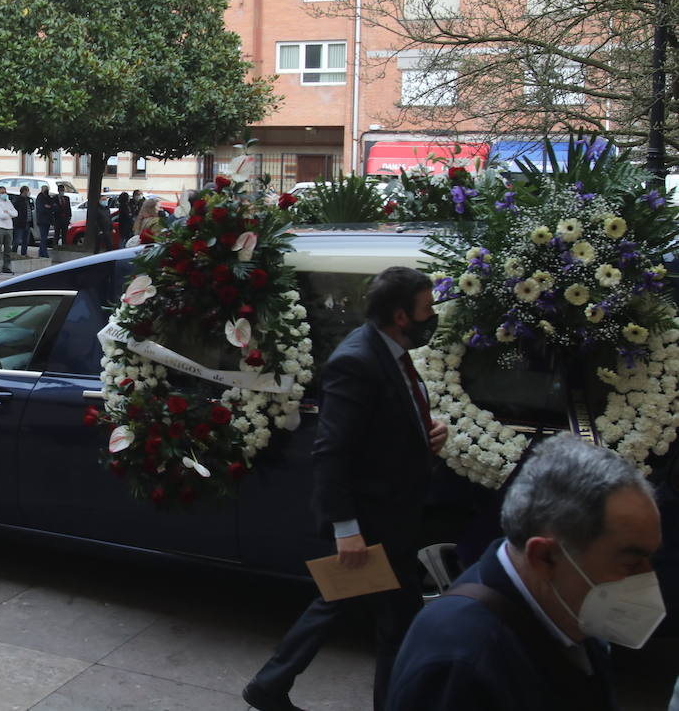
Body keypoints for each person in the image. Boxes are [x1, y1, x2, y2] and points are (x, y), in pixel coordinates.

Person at [244, 266, 449, 711]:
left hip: (393, 513)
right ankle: (274, 684)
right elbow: (332, 450)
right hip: (374, 517)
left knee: (363, 610)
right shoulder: (356, 361)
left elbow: (384, 421)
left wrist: (426, 432)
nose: (431, 316)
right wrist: (346, 528)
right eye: (426, 308)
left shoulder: (390, 349)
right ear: (400, 315)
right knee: (374, 614)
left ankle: (271, 684)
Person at [387, 435, 661, 711]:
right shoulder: (461, 663)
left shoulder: (568, 617)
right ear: (543, 558)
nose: (648, 577)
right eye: (630, 562)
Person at [0, 186, 16, 275]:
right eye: (2, 192)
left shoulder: (9, 202)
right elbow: (1, 216)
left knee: (8, 249)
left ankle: (6, 267)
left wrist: (7, 212)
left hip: (9, 228)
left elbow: (16, 213)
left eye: (5, 192)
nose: (4, 194)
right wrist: (9, 213)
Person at [34, 187, 54, 258]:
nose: (46, 191)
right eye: (45, 190)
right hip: (42, 220)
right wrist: (47, 207)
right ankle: (44, 253)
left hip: (47, 220)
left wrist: (48, 207)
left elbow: (51, 206)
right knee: (43, 238)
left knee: (44, 237)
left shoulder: (47, 197)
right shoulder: (40, 197)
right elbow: (42, 209)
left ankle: (41, 253)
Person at [11, 185, 30, 256]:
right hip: (19, 223)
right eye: (27, 191)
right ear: (24, 191)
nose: (28, 192)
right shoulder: (18, 200)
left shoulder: (28, 200)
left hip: (27, 223)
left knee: (26, 241)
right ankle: (13, 253)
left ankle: (24, 254)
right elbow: (15, 212)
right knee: (17, 240)